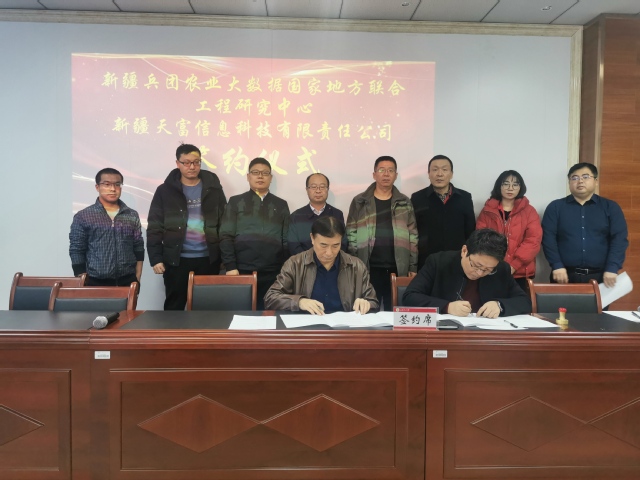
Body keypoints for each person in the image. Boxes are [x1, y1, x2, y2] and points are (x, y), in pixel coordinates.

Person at [147, 143, 227, 310]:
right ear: (178, 163)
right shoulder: (165, 191)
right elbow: (155, 226)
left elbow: (224, 223)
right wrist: (156, 258)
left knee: (207, 307)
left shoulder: (213, 188)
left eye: (196, 162)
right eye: (187, 162)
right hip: (176, 259)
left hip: (208, 258)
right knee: (174, 307)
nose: (192, 167)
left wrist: (224, 257)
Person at [402, 229, 531, 317]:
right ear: (464, 251)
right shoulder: (438, 262)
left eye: (487, 270)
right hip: (445, 334)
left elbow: (524, 301)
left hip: (486, 337)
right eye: (476, 265)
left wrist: (500, 305)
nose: (479, 273)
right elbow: (410, 297)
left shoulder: (501, 270)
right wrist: (447, 307)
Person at [346, 155, 418, 311]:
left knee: (397, 312)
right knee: (368, 312)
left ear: (396, 175)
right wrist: (355, 264)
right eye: (382, 170)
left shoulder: (404, 202)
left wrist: (412, 267)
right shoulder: (360, 201)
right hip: (368, 268)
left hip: (397, 269)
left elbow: (413, 236)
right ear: (374, 174)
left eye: (390, 170)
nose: (386, 174)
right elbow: (351, 234)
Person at [265, 216, 378, 314]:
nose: (329, 252)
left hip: (344, 328)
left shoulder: (356, 266)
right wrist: (299, 302)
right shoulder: (295, 264)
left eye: (335, 245)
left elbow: (373, 301)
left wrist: (366, 303)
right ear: (312, 238)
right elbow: (270, 298)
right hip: (307, 328)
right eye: (323, 245)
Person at [542, 162, 628, 287]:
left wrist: (612, 267)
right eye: (575, 178)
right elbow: (548, 238)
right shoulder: (555, 207)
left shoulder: (610, 207)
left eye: (585, 177)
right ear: (569, 182)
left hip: (602, 277)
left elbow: (619, 239)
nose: (580, 181)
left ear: (596, 181)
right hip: (564, 275)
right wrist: (557, 265)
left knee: (599, 303)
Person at [220, 157, 289, 309]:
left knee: (269, 313)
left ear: (271, 178)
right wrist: (230, 266)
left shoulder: (281, 204)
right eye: (255, 172)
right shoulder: (236, 202)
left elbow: (285, 240)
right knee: (242, 312)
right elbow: (226, 236)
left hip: (273, 271)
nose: (260, 176)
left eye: (265, 173)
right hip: (241, 270)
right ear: (248, 176)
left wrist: (284, 269)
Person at [70, 168, 144, 287]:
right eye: (107, 184)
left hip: (127, 280)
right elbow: (76, 249)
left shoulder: (131, 215)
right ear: (97, 187)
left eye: (117, 184)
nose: (113, 189)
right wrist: (81, 280)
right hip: (95, 281)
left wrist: (138, 276)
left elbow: (138, 246)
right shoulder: (83, 216)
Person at [476, 170, 542, 292]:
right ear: (499, 186)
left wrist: (514, 266)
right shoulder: (487, 211)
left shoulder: (529, 211)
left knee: (519, 303)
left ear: (520, 187)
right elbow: (480, 239)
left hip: (520, 273)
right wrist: (493, 265)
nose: (510, 188)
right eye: (506, 184)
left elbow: (533, 241)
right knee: (490, 303)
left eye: (515, 184)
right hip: (490, 270)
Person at [411, 154, 476, 269]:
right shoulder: (417, 198)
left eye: (444, 169)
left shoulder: (465, 197)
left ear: (451, 174)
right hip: (426, 262)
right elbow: (413, 232)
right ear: (429, 174)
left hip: (458, 261)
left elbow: (470, 231)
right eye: (435, 169)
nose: (439, 174)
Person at [288, 173, 346, 254]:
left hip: (331, 260)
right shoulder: (296, 216)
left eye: (322, 187)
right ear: (307, 190)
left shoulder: (337, 214)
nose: (318, 191)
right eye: (313, 187)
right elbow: (293, 245)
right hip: (303, 261)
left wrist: (328, 258)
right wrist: (309, 260)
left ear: (328, 189)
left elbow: (343, 242)